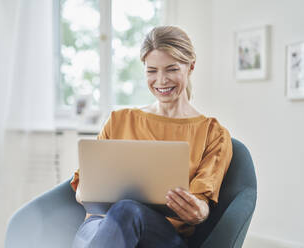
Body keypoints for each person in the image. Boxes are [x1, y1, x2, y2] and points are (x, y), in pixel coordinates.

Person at [70, 26, 233, 248]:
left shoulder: (213, 133)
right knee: (112, 219)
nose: (161, 80)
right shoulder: (119, 120)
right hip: (100, 226)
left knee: (128, 210)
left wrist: (198, 212)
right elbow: (83, 190)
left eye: (171, 69)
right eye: (152, 71)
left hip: (160, 237)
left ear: (191, 67)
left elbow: (202, 204)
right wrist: (89, 191)